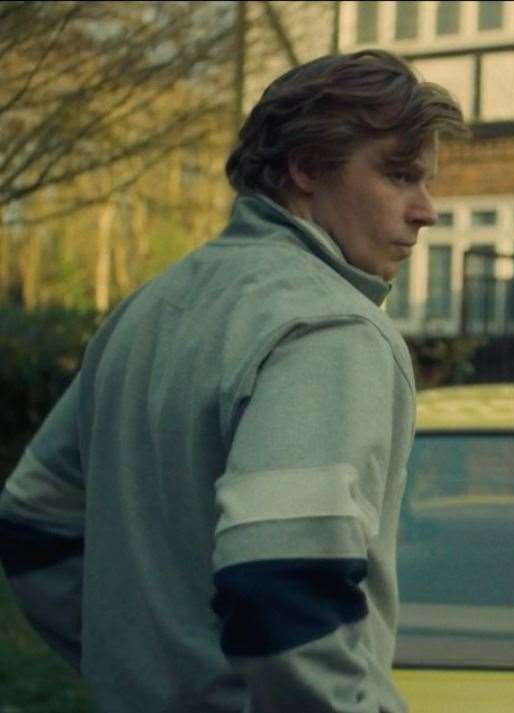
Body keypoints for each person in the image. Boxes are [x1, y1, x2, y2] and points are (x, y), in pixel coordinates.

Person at [0, 50, 466, 712]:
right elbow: (281, 584)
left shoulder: (147, 308)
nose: (427, 211)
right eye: (398, 176)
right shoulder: (331, 329)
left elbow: (30, 520)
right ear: (306, 167)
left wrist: (135, 661)